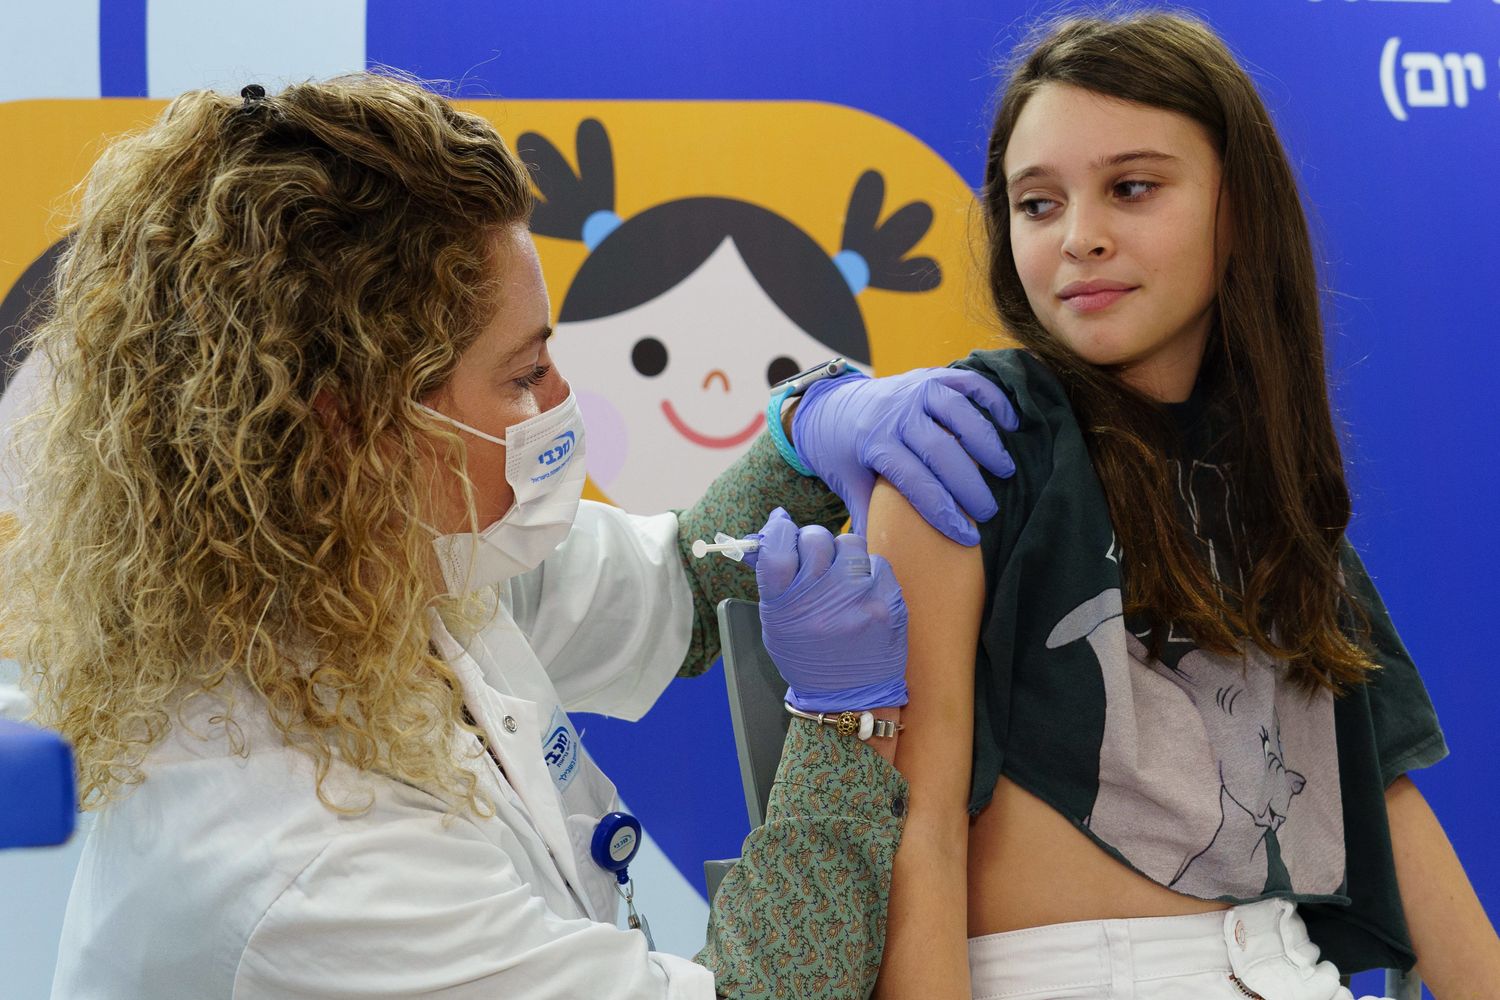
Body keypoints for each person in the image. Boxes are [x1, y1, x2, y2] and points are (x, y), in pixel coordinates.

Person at [0, 73, 1021, 998]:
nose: (562, 399)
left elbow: (684, 586)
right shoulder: (300, 862)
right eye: (523, 372)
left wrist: (803, 432)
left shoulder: (384, 566)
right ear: (349, 425)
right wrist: (847, 728)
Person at [858, 12, 1500, 1000]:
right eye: (1037, 203)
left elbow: (1379, 794)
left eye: (1132, 187)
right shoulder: (969, 440)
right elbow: (915, 829)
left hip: (1290, 966)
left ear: (1236, 208)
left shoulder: (1270, 487)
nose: (1080, 237)